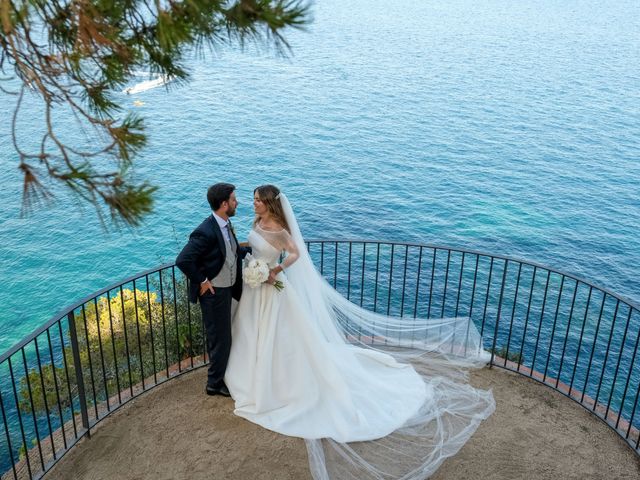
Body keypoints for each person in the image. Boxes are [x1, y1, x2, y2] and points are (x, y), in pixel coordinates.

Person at [225, 185, 495, 480]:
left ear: (269, 204)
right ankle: (251, 373)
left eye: (258, 201)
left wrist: (274, 271)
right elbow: (253, 245)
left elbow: (294, 254)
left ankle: (276, 383)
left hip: (272, 290)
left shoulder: (279, 228)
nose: (254, 205)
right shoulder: (256, 223)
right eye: (252, 201)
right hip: (256, 291)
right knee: (254, 333)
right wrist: (250, 261)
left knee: (281, 339)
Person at [176, 183, 250, 397]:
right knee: (219, 338)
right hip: (214, 293)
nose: (237, 203)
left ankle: (220, 376)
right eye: (234, 200)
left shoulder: (226, 225)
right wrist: (203, 280)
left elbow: (230, 252)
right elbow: (183, 260)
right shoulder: (205, 231)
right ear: (224, 204)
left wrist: (255, 251)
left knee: (225, 335)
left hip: (228, 289)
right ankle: (214, 383)